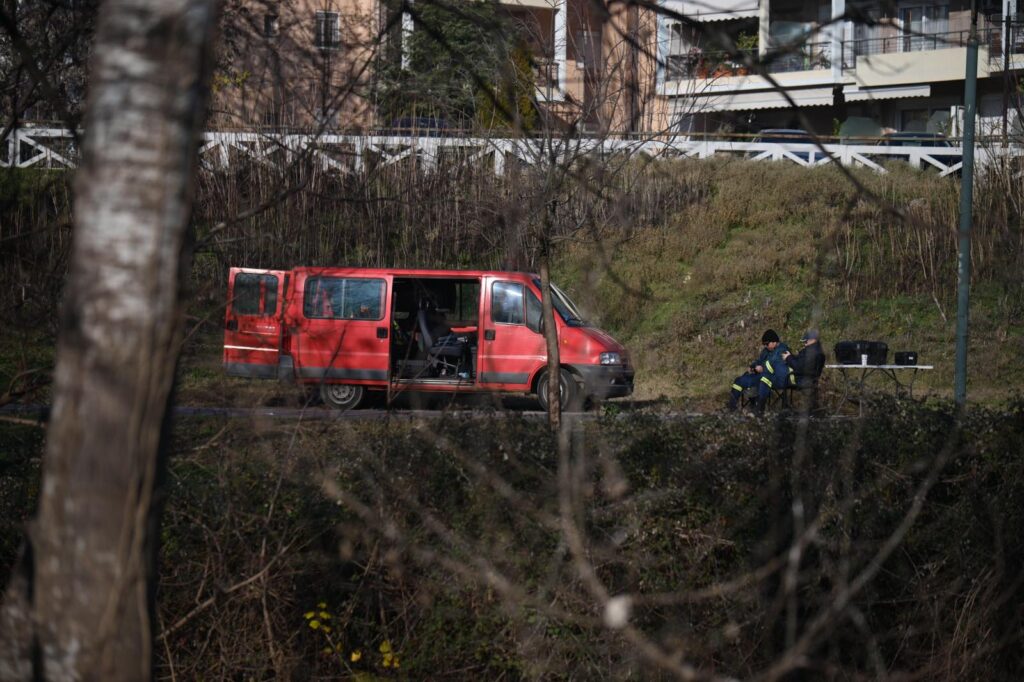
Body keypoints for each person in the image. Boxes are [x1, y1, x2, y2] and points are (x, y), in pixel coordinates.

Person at [727, 329, 791, 411]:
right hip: (762, 375)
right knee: (739, 380)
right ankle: (731, 407)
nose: (765, 346)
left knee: (762, 380)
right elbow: (759, 360)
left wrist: (761, 368)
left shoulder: (782, 350)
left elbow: (774, 366)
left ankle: (759, 408)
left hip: (773, 378)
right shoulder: (766, 350)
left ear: (774, 342)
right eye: (764, 344)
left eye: (766, 344)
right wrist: (752, 366)